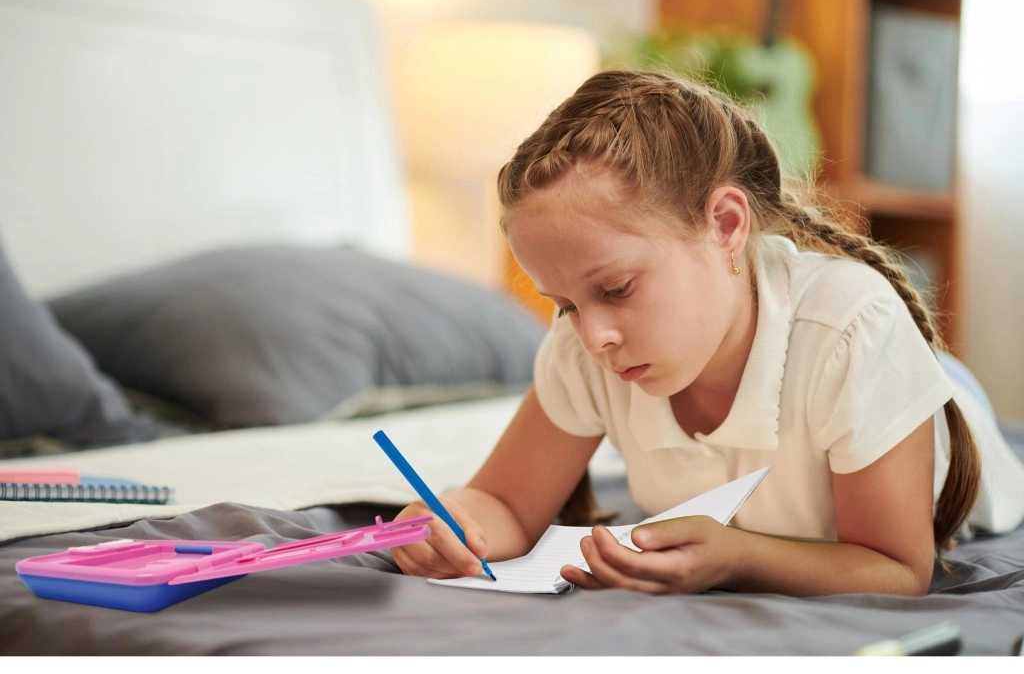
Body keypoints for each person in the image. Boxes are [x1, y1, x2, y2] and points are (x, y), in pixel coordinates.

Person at [391, 69, 1024, 596]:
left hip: (918, 395)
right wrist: (448, 523)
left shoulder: (853, 330)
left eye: (616, 289)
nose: (593, 337)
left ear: (724, 225)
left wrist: (739, 556)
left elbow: (896, 569)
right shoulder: (586, 348)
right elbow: (505, 504)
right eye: (565, 306)